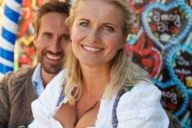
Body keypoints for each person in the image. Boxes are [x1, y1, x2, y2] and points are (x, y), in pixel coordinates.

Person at [29, 0, 169, 127]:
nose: (93, 37)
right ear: (71, 29)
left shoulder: (139, 98)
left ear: (123, 38)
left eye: (108, 28)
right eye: (84, 24)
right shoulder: (61, 84)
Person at [0, 1, 70, 127]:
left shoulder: (84, 93)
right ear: (35, 39)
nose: (55, 48)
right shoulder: (10, 85)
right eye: (47, 35)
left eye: (65, 38)